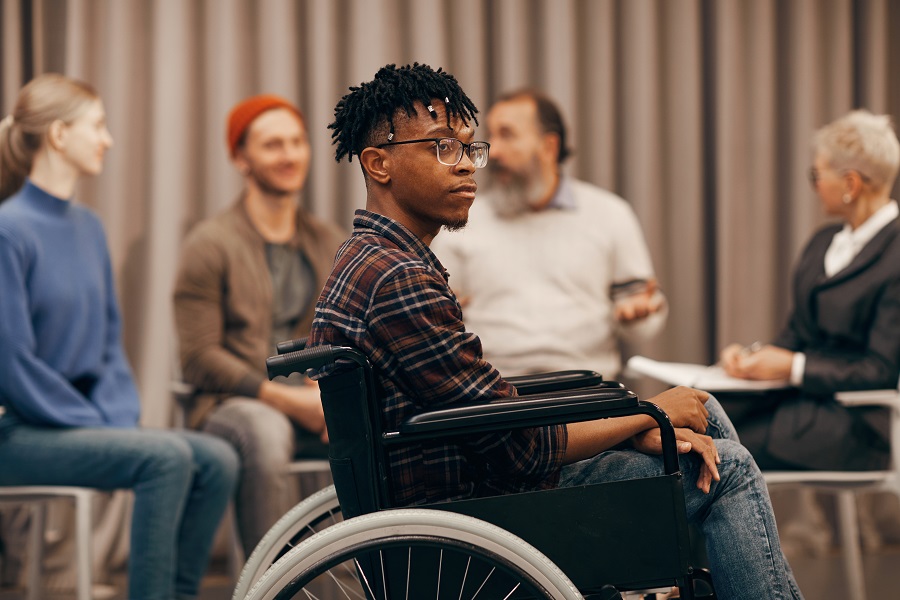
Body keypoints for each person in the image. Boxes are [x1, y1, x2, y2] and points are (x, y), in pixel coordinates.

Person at [309, 62, 803, 599]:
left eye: (471, 149)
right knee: (725, 468)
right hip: (478, 521)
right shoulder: (398, 278)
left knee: (703, 418)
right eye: (442, 148)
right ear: (379, 164)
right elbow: (520, 446)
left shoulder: (372, 258)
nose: (466, 167)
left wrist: (634, 422)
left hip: (474, 490)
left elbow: (492, 414)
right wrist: (645, 414)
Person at [0, 73, 238, 600]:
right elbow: (11, 363)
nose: (107, 139)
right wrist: (90, 423)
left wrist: (115, 419)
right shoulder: (7, 230)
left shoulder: (88, 227)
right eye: (98, 126)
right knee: (167, 458)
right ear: (59, 135)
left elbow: (109, 343)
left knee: (217, 459)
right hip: (19, 434)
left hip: (78, 426)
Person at [173, 94, 347, 555]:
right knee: (267, 430)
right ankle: (275, 582)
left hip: (315, 401)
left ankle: (367, 578)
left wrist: (333, 396)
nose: (289, 155)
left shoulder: (329, 239)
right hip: (232, 406)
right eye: (273, 145)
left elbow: (349, 338)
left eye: (297, 142)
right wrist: (290, 401)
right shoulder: (209, 244)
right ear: (240, 158)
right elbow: (198, 358)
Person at [430, 89, 665, 377]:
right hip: (494, 393)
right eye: (492, 136)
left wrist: (638, 314)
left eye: (508, 135)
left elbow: (643, 323)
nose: (495, 151)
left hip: (586, 391)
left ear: (549, 146)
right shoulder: (462, 219)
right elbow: (437, 320)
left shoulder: (610, 213)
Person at [718, 109, 900, 472]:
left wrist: (794, 366)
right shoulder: (823, 243)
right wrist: (751, 359)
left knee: (711, 450)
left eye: (817, 174)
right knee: (698, 416)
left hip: (857, 423)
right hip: (798, 404)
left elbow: (880, 369)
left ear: (850, 184)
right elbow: (796, 335)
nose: (814, 184)